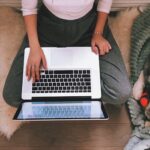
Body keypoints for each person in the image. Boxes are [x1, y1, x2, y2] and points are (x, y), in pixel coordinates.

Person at [3, 0, 131, 107]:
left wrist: (98, 33)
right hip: (47, 27)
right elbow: (29, 8)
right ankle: (65, 87)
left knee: (121, 92)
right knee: (12, 95)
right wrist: (34, 46)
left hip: (89, 28)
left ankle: (67, 87)